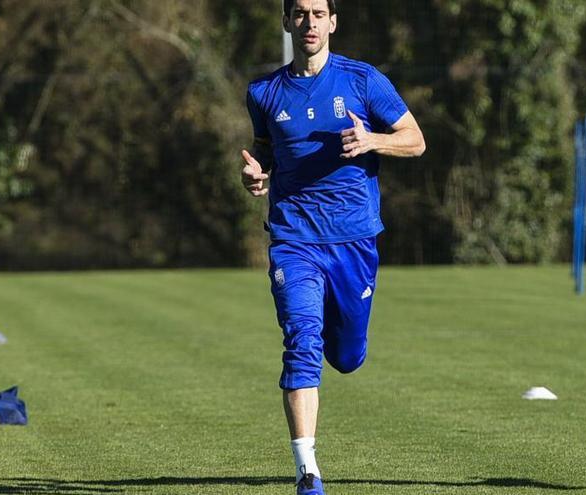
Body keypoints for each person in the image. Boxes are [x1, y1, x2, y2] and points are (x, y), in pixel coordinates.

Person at [241, 1, 426, 493]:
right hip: (293, 240)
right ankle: (308, 471)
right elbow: (266, 151)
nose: (310, 22)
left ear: (333, 22)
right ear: (286, 21)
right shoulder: (263, 92)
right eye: (300, 13)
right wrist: (257, 175)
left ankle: (343, 345)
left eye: (319, 13)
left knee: (345, 357)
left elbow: (415, 139)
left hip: (353, 241)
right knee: (301, 339)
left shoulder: (364, 81)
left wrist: (372, 142)